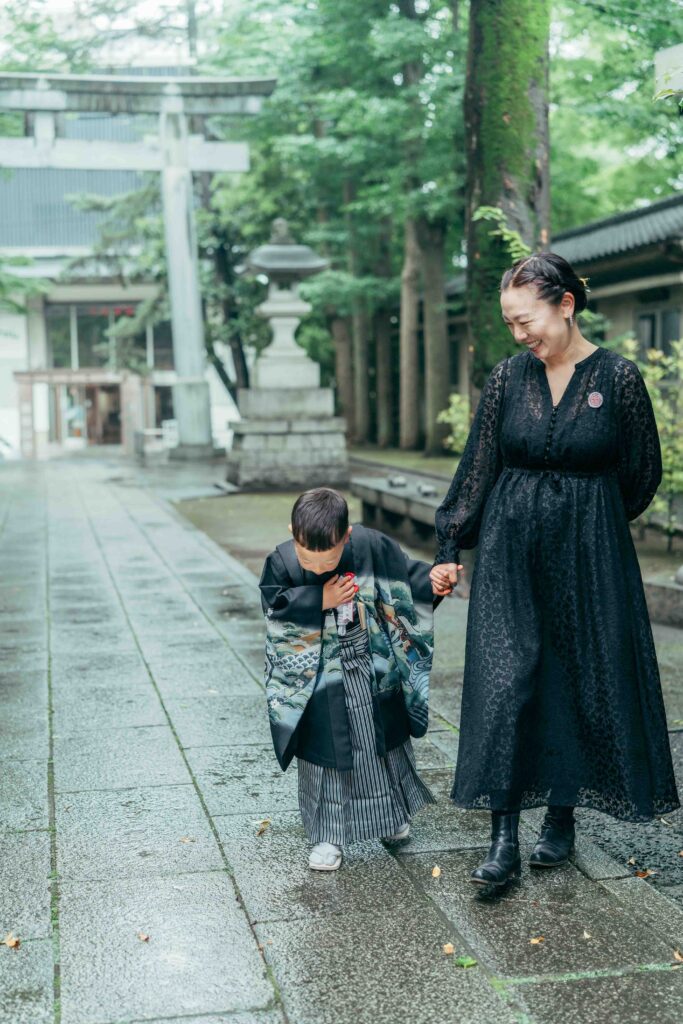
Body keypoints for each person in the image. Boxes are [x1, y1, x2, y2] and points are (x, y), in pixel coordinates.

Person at [430, 252, 679, 888]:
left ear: (565, 304)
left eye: (527, 319)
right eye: (511, 323)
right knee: (507, 677)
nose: (520, 334)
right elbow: (480, 466)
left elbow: (641, 472)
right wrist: (450, 544)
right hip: (512, 551)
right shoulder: (508, 378)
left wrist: (589, 516)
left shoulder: (618, 377)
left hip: (589, 552)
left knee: (573, 674)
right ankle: (503, 832)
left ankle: (561, 817)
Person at [259, 487, 440, 871]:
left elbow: (404, 579)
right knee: (329, 761)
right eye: (309, 558)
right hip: (320, 679)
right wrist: (317, 599)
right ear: (293, 532)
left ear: (347, 535)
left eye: (330, 558)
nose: (321, 567)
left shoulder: (372, 546)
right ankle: (328, 837)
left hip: (370, 667)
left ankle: (391, 819)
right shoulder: (281, 561)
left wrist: (433, 579)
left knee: (382, 749)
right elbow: (275, 612)